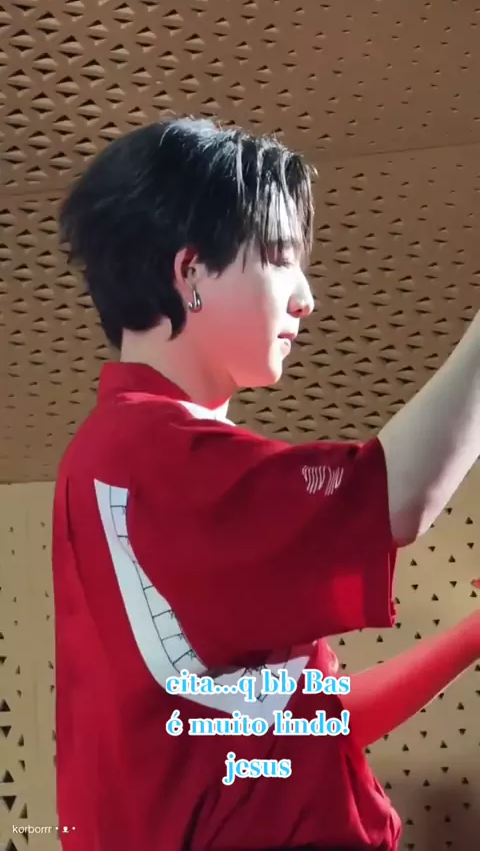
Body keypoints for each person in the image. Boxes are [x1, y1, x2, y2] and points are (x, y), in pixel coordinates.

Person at [53, 117, 480, 851]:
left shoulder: (128, 464)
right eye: (282, 258)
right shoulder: (146, 454)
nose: (306, 298)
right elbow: (394, 496)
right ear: (190, 273)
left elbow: (313, 722)